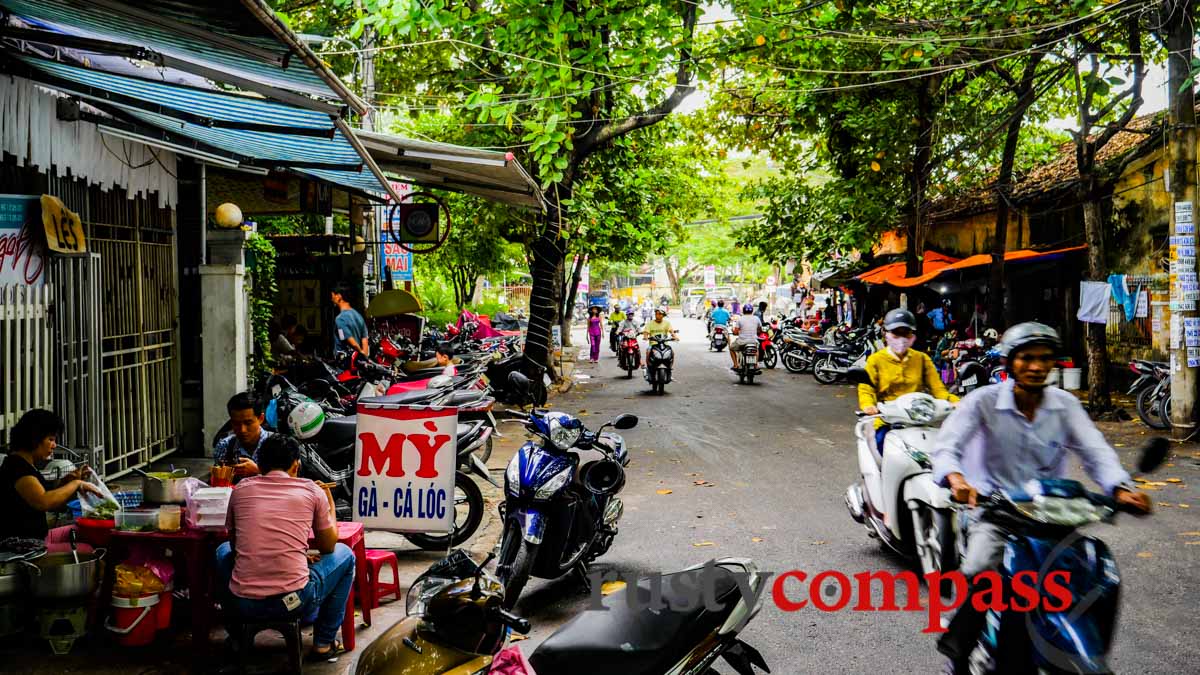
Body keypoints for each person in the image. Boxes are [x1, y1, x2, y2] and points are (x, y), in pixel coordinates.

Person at [931, 322, 1151, 674]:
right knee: (981, 570)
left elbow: (1095, 451)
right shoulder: (983, 402)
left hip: (1052, 516)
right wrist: (956, 479)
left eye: (1045, 359)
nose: (1036, 366)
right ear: (1010, 362)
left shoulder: (1064, 405)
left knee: (1096, 572)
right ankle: (960, 652)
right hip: (995, 514)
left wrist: (1121, 489)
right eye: (1027, 358)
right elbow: (947, 447)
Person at [215, 434, 355, 660]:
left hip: (244, 603)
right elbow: (328, 546)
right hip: (294, 602)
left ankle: (237, 638)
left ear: (260, 464)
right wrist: (330, 502)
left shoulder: (240, 490)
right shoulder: (312, 490)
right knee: (346, 555)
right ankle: (324, 642)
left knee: (222, 552)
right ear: (296, 464)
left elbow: (236, 544)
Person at [858, 308, 958, 452]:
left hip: (918, 419)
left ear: (912, 335)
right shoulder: (875, 360)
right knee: (881, 446)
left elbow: (939, 390)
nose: (901, 338)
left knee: (940, 451)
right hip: (888, 419)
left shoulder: (922, 358)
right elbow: (866, 389)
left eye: (906, 333)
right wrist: (868, 405)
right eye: (896, 333)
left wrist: (956, 403)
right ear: (886, 334)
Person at [1, 409, 101, 551]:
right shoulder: (18, 468)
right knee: (90, 549)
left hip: (40, 537)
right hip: (24, 546)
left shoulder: (25, 464)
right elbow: (43, 501)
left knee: (88, 532)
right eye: (51, 439)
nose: (54, 445)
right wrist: (76, 484)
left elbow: (47, 498)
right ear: (34, 438)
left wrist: (66, 482)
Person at [213, 392, 274, 481]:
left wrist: (258, 471)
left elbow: (289, 483)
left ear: (261, 418)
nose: (242, 430)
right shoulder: (224, 446)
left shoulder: (277, 446)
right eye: (236, 424)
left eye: (248, 423)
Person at [330, 282, 369, 358]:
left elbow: (349, 340)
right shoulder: (358, 316)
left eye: (332, 296)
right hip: (357, 362)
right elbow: (364, 338)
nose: (331, 299)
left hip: (344, 362)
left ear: (338, 297)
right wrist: (365, 357)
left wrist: (360, 353)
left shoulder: (340, 319)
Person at [730, 304, 762, 370]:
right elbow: (759, 330)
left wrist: (734, 332)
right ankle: (756, 365)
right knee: (756, 349)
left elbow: (735, 332)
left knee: (731, 348)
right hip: (753, 341)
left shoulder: (740, 319)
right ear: (752, 310)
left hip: (742, 342)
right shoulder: (756, 318)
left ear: (743, 311)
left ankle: (736, 365)